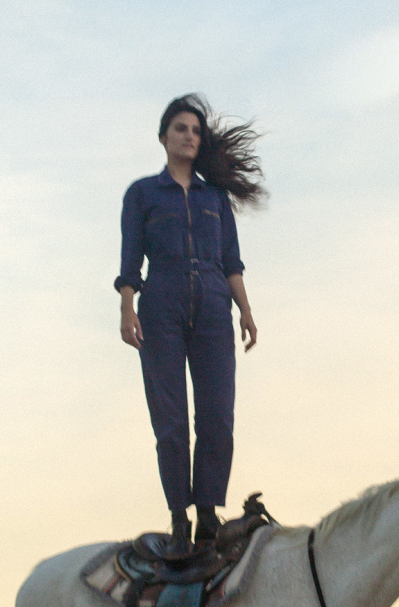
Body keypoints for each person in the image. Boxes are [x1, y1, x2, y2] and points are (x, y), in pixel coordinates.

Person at [115, 94, 265, 557]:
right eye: (181, 128)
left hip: (215, 308)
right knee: (171, 420)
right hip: (161, 304)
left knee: (218, 416)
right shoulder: (142, 194)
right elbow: (129, 260)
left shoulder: (214, 199)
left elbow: (232, 261)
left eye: (197, 131)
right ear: (164, 136)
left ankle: (207, 513)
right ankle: (179, 515)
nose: (190, 137)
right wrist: (127, 307)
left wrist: (246, 310)